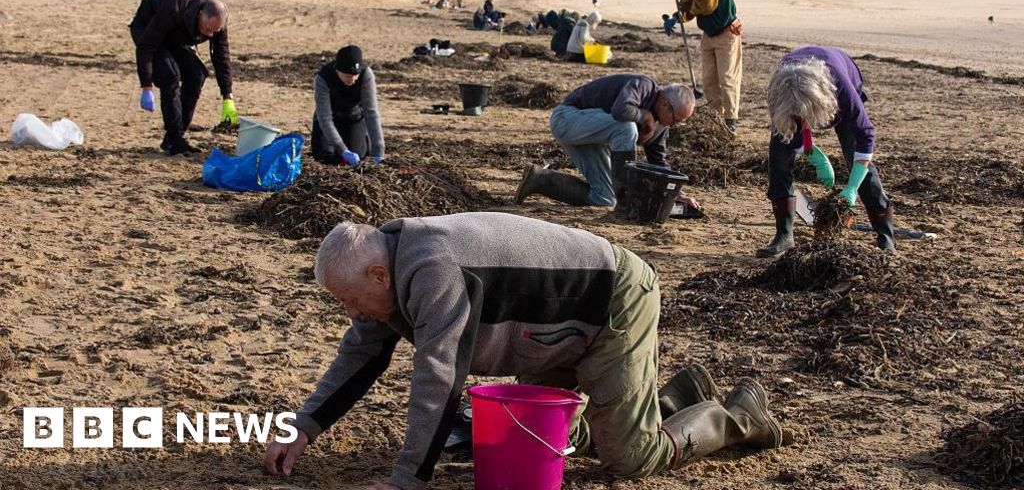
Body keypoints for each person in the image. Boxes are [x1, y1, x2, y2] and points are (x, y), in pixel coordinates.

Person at [263, 213, 784, 489]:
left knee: (629, 457)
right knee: (547, 438)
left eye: (352, 300)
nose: (353, 313)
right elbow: (359, 356)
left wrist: (406, 482)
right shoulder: (388, 269)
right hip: (552, 327)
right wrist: (304, 426)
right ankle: (675, 396)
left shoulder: (431, 273)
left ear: (378, 274)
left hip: (610, 303)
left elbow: (439, 381)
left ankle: (735, 415)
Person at [757, 46, 895, 257]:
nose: (804, 125)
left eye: (806, 119)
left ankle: (886, 238)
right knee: (779, 158)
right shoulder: (779, 92)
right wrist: (814, 155)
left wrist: (852, 187)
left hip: (835, 82)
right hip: (792, 92)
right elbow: (791, 134)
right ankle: (783, 236)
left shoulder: (843, 91)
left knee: (854, 155)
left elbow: (866, 137)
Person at [514, 74, 699, 210]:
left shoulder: (661, 126)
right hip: (567, 119)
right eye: (676, 119)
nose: (675, 126)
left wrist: (677, 195)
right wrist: (644, 115)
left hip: (590, 138)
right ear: (664, 104)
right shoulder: (644, 86)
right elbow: (621, 110)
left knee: (604, 197)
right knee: (626, 128)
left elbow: (659, 162)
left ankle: (538, 179)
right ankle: (625, 199)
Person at [129, 0, 237, 155]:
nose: (210, 34)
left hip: (175, 35)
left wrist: (227, 95)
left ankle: (177, 136)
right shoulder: (173, 8)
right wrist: (146, 86)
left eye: (214, 31)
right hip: (147, 27)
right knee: (170, 75)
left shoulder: (217, 23)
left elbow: (221, 56)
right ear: (200, 14)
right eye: (208, 29)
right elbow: (146, 47)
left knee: (197, 74)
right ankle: (173, 138)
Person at [665, 0, 743, 133]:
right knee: (709, 79)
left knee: (727, 78)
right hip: (708, 34)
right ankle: (716, 117)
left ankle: (731, 119)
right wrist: (676, 17)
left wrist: (687, 11)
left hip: (726, 32)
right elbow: (686, 3)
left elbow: (706, 6)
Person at [310, 45, 385, 166]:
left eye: (356, 75)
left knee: (359, 157)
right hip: (329, 119)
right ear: (338, 71)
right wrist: (343, 150)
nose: (353, 79)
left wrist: (378, 150)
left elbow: (371, 114)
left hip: (353, 117)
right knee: (323, 157)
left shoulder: (366, 74)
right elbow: (325, 118)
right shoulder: (323, 78)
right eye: (348, 76)